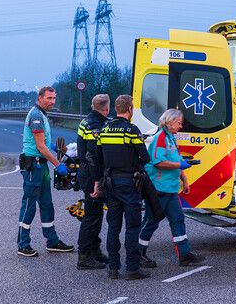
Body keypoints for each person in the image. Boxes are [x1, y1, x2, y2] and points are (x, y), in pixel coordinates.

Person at [93, 95, 151, 280]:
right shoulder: (131, 130)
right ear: (130, 109)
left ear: (116, 109)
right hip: (129, 183)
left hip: (110, 183)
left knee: (113, 227)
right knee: (132, 227)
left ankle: (113, 267)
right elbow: (145, 158)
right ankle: (132, 268)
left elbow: (98, 158)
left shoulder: (105, 129)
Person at [139, 109, 206, 268]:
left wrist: (184, 177)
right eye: (179, 122)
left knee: (177, 219)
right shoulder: (161, 137)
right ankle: (138, 253)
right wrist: (180, 165)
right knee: (151, 221)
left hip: (170, 188)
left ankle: (184, 255)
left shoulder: (170, 138)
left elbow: (176, 158)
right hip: (159, 188)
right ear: (169, 121)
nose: (181, 126)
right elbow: (158, 162)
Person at [17, 86, 75, 257]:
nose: (52, 101)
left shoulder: (42, 114)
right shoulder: (36, 116)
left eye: (54, 98)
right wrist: (58, 164)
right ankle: (23, 244)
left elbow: (42, 142)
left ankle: (52, 240)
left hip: (40, 166)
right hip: (33, 166)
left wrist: (53, 147)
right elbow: (40, 146)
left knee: (47, 204)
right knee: (29, 206)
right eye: (49, 98)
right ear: (40, 98)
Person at [75, 93, 111, 270]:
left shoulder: (88, 120)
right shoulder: (95, 125)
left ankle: (94, 250)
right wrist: (97, 180)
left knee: (96, 214)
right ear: (106, 108)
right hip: (91, 174)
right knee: (91, 216)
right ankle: (84, 257)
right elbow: (92, 156)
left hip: (87, 173)